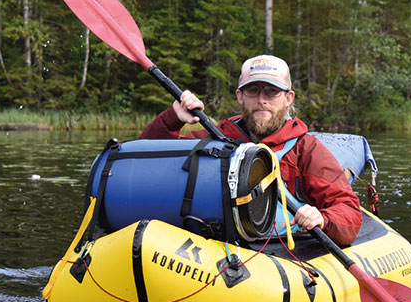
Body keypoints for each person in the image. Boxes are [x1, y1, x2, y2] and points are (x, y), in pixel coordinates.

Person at [139, 54, 362, 246]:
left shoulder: (306, 149)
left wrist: (323, 218)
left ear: (288, 98)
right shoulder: (215, 138)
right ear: (240, 96)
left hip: (278, 251)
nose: (261, 100)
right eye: (253, 91)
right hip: (213, 247)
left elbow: (349, 210)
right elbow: (145, 163)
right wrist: (172, 120)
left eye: (272, 92)